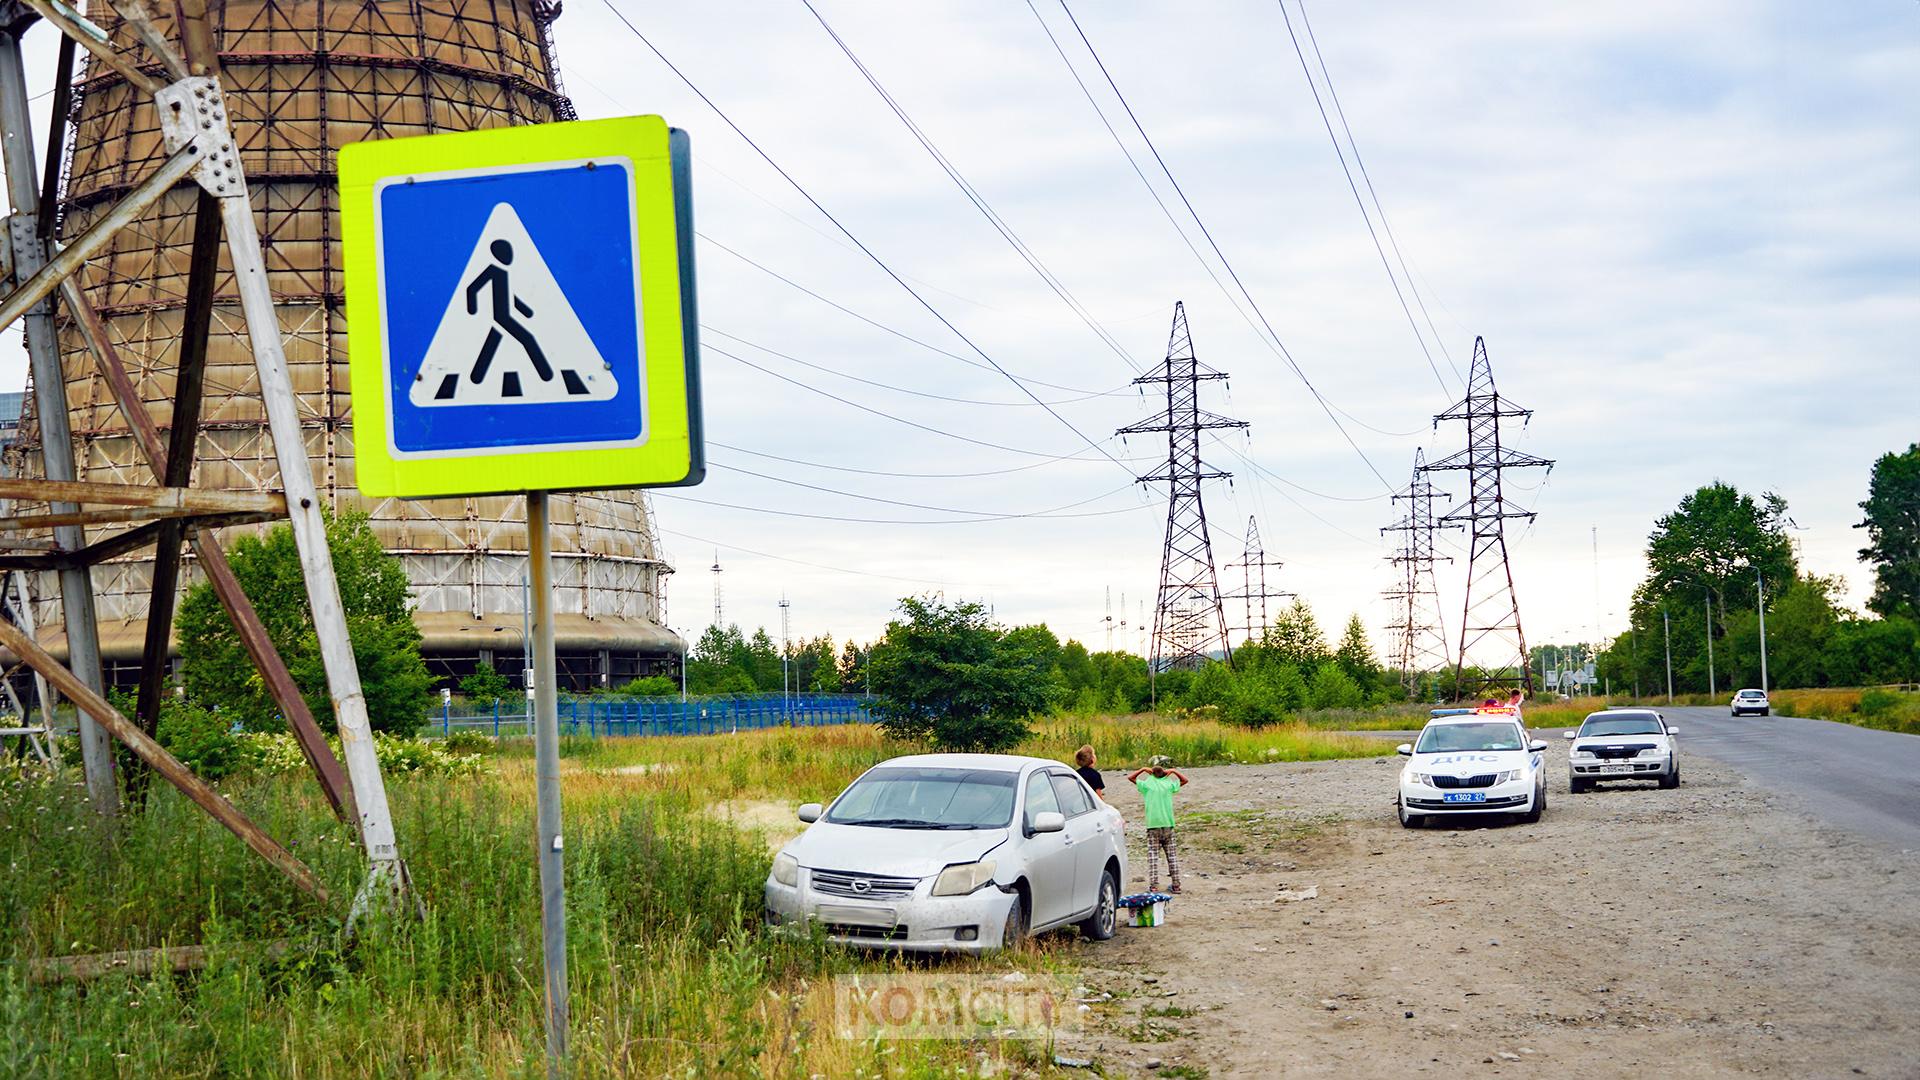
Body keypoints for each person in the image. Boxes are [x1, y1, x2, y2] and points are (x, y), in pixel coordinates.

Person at [1127, 755, 1189, 894]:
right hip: (1168, 824)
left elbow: (1131, 778)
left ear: (1151, 773)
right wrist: (1173, 771)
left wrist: (1142, 769)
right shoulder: (1168, 784)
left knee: (1153, 857)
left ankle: (1154, 886)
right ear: (1164, 774)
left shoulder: (1148, 784)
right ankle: (1176, 885)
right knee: (1172, 856)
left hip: (1152, 826)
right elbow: (1185, 780)